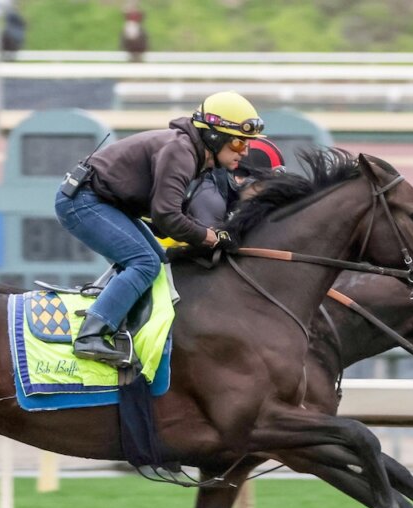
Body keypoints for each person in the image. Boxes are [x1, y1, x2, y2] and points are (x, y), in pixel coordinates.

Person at [54, 91, 265, 366]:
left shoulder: (189, 152)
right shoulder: (182, 152)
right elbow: (166, 216)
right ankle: (90, 335)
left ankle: (116, 318)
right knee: (144, 263)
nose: (245, 151)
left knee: (158, 261)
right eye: (239, 143)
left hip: (102, 201)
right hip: (83, 202)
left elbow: (167, 217)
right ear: (214, 137)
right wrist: (209, 237)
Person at [185, 136, 287, 228]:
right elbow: (212, 244)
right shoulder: (210, 197)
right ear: (239, 179)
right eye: (264, 186)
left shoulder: (226, 191)